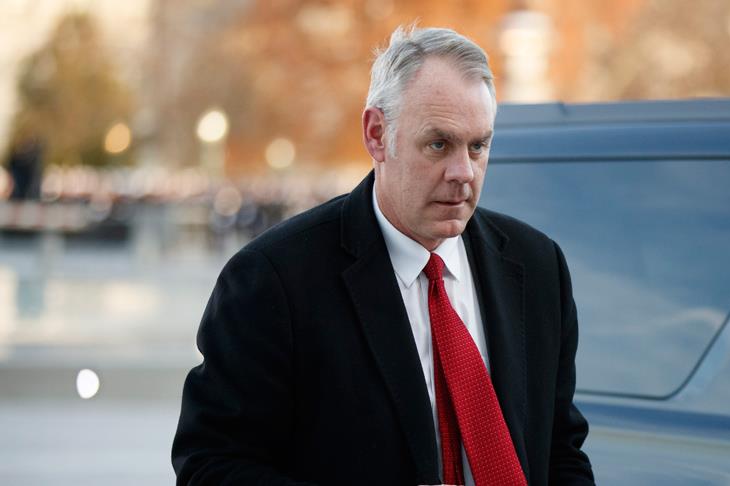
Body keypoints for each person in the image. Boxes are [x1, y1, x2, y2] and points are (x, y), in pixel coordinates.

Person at [172, 25, 594, 485]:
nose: (463, 172)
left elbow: (561, 452)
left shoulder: (538, 266)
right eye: (439, 145)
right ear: (376, 135)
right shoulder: (273, 280)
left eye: (478, 146)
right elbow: (210, 466)